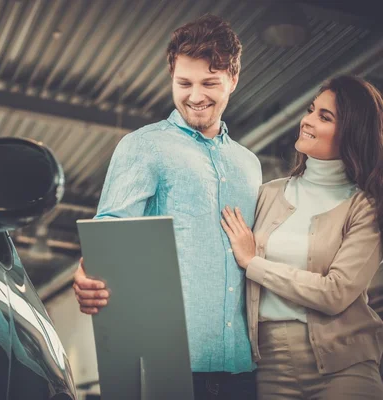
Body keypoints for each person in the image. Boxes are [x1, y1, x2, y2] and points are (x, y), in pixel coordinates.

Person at [73, 14, 262, 399]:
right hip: (170, 368)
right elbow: (110, 231)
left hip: (244, 370)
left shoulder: (250, 165)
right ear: (171, 78)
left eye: (210, 83)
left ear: (233, 80)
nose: (195, 96)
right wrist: (85, 271)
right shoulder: (144, 146)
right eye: (184, 83)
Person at [221, 75, 383, 399]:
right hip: (270, 367)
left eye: (324, 117)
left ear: (350, 132)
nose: (307, 121)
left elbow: (335, 292)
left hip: (345, 368)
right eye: (311, 109)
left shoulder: (365, 207)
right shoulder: (266, 195)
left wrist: (254, 263)